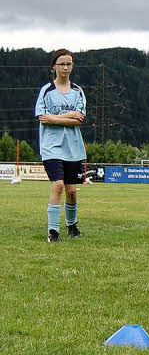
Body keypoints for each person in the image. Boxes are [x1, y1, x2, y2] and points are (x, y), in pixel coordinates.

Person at [35, 49, 87, 242]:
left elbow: (79, 119)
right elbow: (43, 118)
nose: (66, 67)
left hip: (73, 147)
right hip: (51, 147)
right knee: (57, 185)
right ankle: (53, 231)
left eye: (69, 64)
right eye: (62, 64)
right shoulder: (46, 91)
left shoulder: (77, 91)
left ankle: (72, 225)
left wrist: (55, 118)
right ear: (54, 67)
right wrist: (69, 115)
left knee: (71, 191)